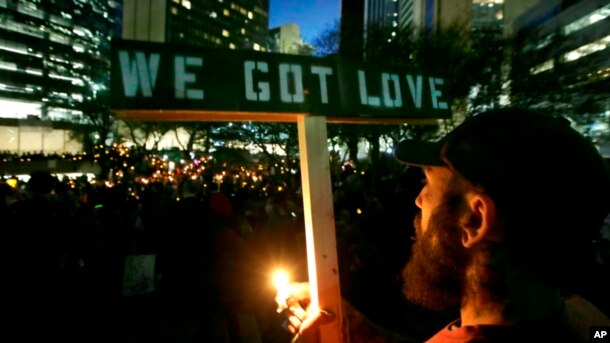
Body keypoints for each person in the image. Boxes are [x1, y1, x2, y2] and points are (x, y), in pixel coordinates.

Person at [277, 107, 610, 342]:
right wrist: (357, 330)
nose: (418, 200)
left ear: (474, 219)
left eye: (429, 184)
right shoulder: (590, 319)